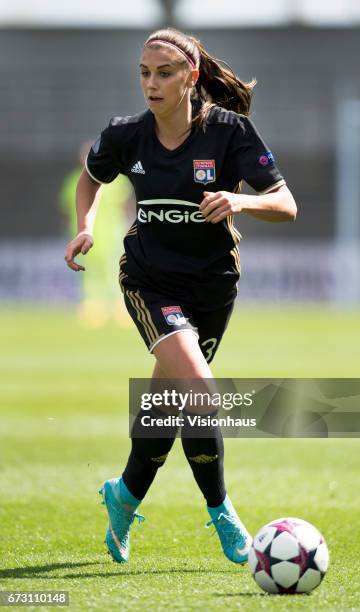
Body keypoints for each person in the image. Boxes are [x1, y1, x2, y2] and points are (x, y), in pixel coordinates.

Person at [64, 27, 297, 566]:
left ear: (191, 77)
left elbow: (286, 202)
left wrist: (240, 205)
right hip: (149, 280)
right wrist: (86, 225)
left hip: (214, 285)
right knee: (199, 391)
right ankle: (223, 512)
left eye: (164, 72)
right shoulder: (126, 135)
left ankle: (123, 495)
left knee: (168, 406)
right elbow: (90, 180)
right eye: (144, 72)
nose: (151, 83)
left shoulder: (231, 134)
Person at [60, 141, 135, 327]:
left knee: (115, 270)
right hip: (85, 234)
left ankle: (120, 305)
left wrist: (130, 227)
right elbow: (67, 208)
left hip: (112, 233)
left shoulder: (117, 180)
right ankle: (92, 306)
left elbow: (126, 206)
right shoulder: (74, 180)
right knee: (89, 273)